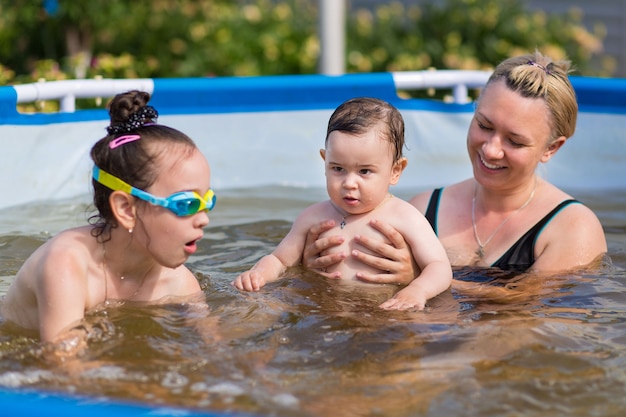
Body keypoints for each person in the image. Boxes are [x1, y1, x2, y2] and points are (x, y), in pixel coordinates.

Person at [303, 51, 607, 283]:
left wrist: (417, 278)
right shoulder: (422, 209)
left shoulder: (572, 228)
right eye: (484, 125)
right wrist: (311, 264)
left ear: (552, 148)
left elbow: (527, 313)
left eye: (514, 141)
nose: (490, 149)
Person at [1, 90, 215, 344]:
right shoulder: (65, 265)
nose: (204, 218)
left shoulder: (179, 282)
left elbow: (216, 347)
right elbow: (64, 366)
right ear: (126, 209)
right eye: (187, 203)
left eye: (208, 201)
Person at [232, 97, 452, 310]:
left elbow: (439, 267)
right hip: (326, 309)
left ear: (395, 171)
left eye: (364, 171)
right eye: (338, 168)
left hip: (388, 310)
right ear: (324, 161)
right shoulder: (312, 217)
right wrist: (258, 274)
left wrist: (417, 291)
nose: (349, 183)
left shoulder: (405, 217)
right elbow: (279, 259)